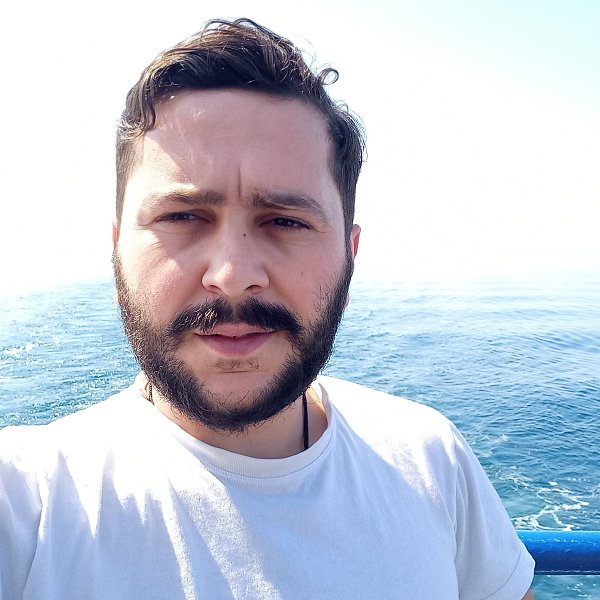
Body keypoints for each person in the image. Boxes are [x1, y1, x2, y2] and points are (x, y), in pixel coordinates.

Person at [0, 18, 535, 599]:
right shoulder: (29, 500)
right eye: (182, 217)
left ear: (349, 254)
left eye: (285, 221)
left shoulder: (431, 457)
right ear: (117, 250)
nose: (232, 275)